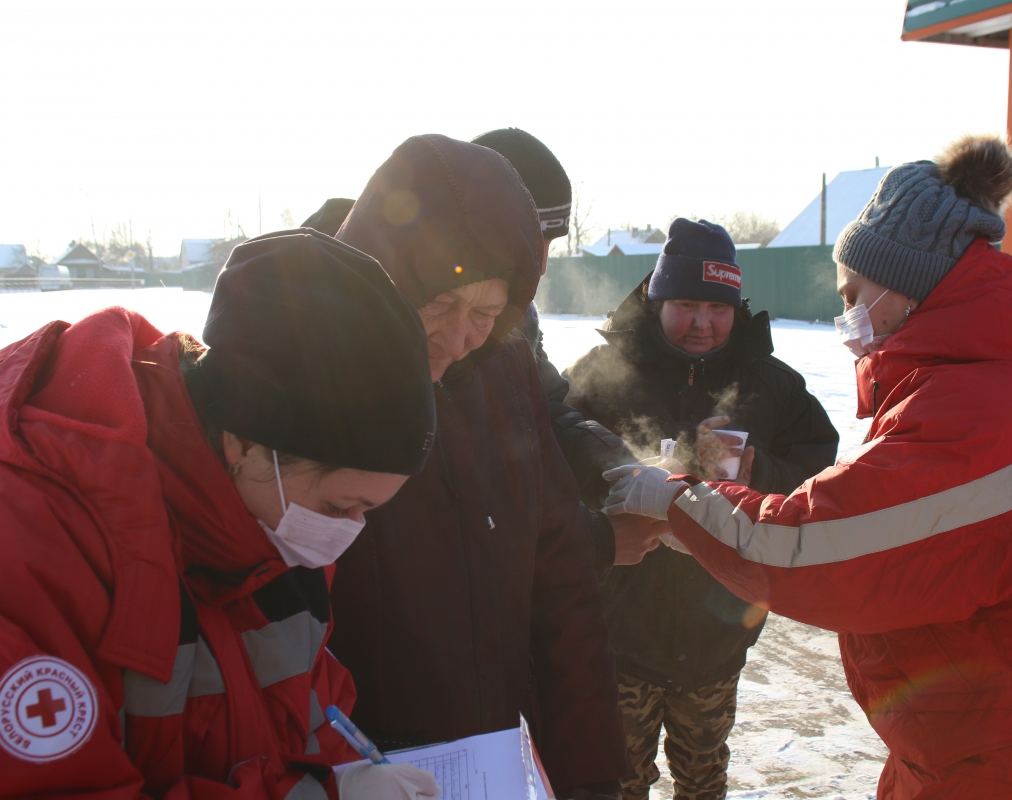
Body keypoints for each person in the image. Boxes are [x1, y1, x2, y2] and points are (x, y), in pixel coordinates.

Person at [600, 134, 1012, 798]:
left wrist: (672, 501)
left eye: (852, 293)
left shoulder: (978, 412)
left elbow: (811, 543)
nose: (846, 317)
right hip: (979, 749)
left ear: (903, 286)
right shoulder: (977, 390)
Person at [0, 231, 442, 798]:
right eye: (339, 506)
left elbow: (312, 716)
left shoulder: (270, 527)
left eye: (365, 512)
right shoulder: (23, 546)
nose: (345, 531)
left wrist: (347, 770)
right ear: (244, 444)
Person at [328, 134, 630, 799]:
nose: (462, 337)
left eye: (487, 313)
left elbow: (563, 584)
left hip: (499, 762)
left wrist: (591, 772)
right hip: (364, 760)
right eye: (438, 306)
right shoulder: (310, 376)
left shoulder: (506, 367)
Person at [564, 218, 838, 800]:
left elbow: (820, 476)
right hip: (620, 630)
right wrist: (611, 488)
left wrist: (756, 470)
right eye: (686, 304)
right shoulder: (597, 374)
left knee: (704, 778)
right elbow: (550, 454)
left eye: (718, 308)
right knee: (618, 782)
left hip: (716, 632)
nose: (702, 323)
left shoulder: (773, 384)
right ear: (656, 299)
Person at [469, 128, 657, 571]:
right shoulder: (431, 323)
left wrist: (622, 467)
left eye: (550, 244)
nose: (543, 264)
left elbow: (549, 410)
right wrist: (595, 542)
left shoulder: (519, 322)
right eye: (535, 242)